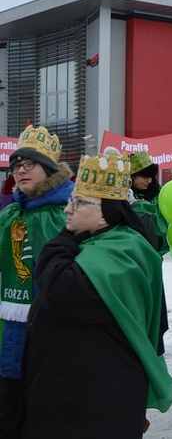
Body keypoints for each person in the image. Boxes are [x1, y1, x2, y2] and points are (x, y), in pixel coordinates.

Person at [19, 147, 172, 438]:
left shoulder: (122, 250)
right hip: (77, 397)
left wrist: (62, 240)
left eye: (78, 203)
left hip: (96, 402)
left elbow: (60, 290)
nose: (68, 209)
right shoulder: (97, 243)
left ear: (104, 215)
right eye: (70, 201)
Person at [0, 125, 74, 438]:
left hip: (54, 333)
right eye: (16, 165)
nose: (20, 170)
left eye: (29, 164)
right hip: (11, 331)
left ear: (49, 169)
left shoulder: (69, 213)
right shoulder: (10, 214)